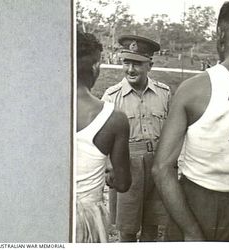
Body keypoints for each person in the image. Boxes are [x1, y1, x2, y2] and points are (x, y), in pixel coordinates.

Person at [152, 1, 229, 242]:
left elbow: (161, 169)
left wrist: (191, 233)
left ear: (220, 34)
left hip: (197, 204)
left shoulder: (195, 88)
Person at [102, 35, 171, 242]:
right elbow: (101, 137)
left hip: (157, 164)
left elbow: (171, 131)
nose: (130, 69)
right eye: (127, 62)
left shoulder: (164, 93)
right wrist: (109, 166)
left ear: (150, 65)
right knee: (128, 227)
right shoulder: (111, 96)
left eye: (138, 64)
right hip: (126, 164)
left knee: (152, 223)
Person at [76, 31, 131, 243]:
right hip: (88, 219)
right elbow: (124, 183)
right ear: (95, 67)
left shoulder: (37, 108)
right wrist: (108, 175)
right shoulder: (114, 118)